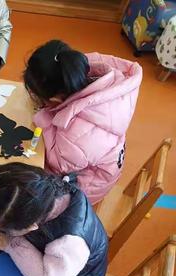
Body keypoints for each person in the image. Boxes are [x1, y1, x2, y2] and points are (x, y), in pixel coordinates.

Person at [24, 40, 142, 204]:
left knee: (23, 187)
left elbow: (57, 166)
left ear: (55, 99)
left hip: (86, 188)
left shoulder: (79, 133)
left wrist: (43, 119)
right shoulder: (80, 69)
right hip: (96, 163)